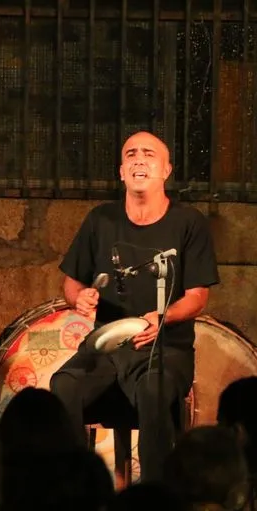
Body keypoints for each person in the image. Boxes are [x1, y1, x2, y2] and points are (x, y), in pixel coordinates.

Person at [50, 131, 219, 482]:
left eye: (149, 154)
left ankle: (155, 494)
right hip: (108, 350)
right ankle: (74, 486)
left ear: (166, 170)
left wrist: (163, 318)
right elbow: (71, 283)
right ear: (121, 171)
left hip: (164, 349)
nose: (139, 159)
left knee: (153, 392)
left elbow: (197, 296)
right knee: (63, 384)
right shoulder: (100, 220)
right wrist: (79, 297)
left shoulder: (188, 222)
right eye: (131, 154)